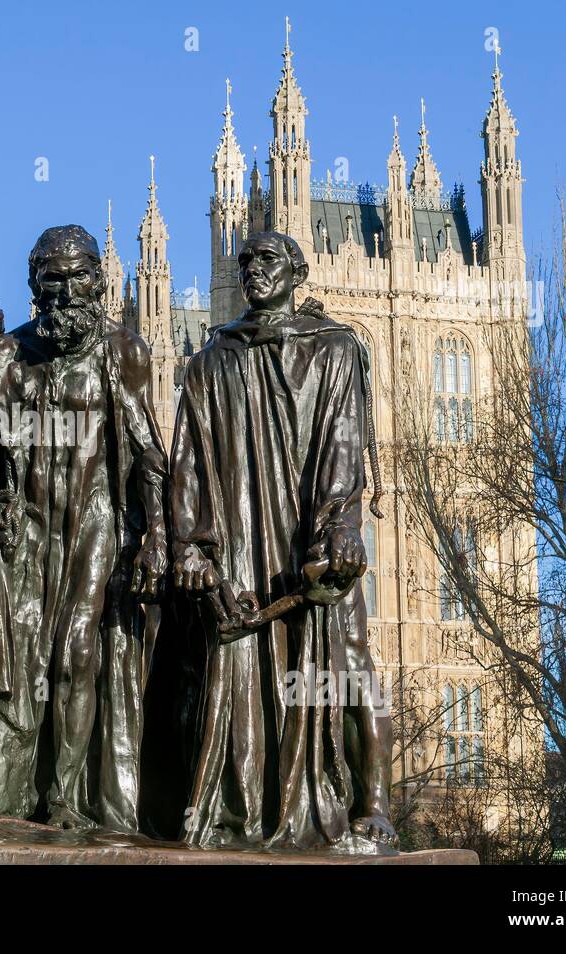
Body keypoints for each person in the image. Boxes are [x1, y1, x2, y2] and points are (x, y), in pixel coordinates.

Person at [167, 231, 396, 850]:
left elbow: (345, 443)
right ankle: (243, 809)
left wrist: (342, 524)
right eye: (245, 261)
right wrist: (191, 545)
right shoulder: (212, 359)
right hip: (243, 546)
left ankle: (374, 805)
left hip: (316, 543)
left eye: (267, 259)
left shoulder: (334, 347)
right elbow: (187, 461)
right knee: (232, 669)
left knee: (347, 667)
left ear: (298, 271)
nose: (253, 270)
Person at [0, 225, 167, 832]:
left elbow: (149, 451)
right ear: (35, 286)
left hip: (95, 518)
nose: (67, 294)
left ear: (97, 283)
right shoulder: (6, 358)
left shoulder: (120, 351)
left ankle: (67, 796)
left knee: (75, 651)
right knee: (19, 662)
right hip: (24, 526)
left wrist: (154, 535)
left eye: (78, 280)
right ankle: (10, 797)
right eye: (53, 281)